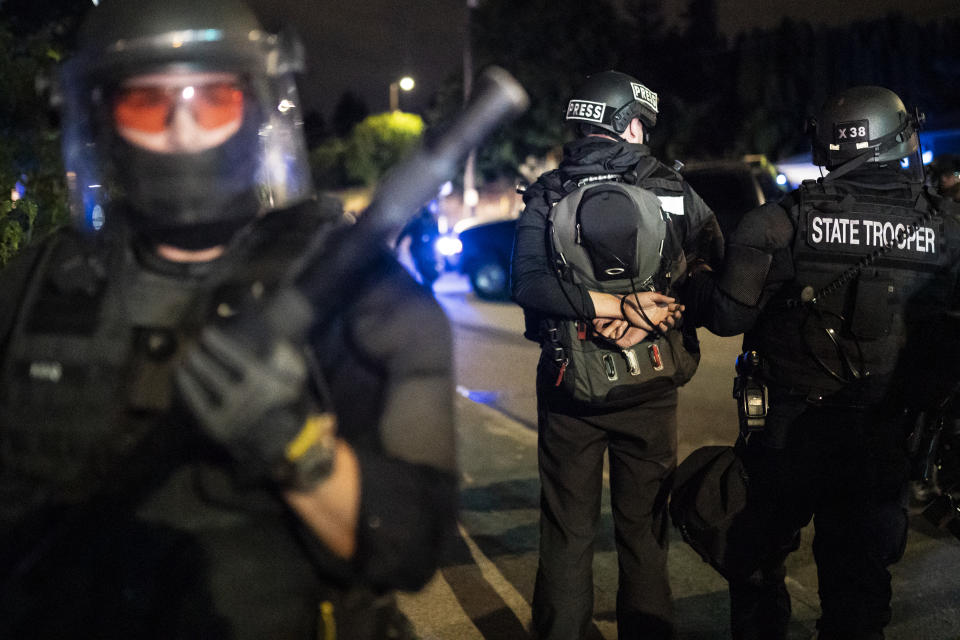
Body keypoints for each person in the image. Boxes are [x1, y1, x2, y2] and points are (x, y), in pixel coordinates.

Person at [0, 0, 457, 637]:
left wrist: (293, 447)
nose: (183, 132)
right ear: (102, 116)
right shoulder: (33, 289)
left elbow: (410, 546)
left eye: (212, 101)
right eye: (146, 104)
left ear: (255, 105)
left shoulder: (359, 295)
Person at [681, 86, 960, 640]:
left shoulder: (777, 223)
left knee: (758, 562)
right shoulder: (946, 227)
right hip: (885, 433)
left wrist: (692, 279)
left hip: (785, 433)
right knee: (859, 582)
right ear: (895, 139)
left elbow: (728, 317)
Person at [511, 70, 723, 640]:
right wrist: (648, 309)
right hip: (651, 387)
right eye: (641, 124)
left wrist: (595, 303)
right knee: (644, 532)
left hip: (568, 385)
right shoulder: (672, 190)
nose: (645, 137)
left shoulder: (549, 192)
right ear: (626, 123)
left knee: (566, 531)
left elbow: (528, 285)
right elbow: (711, 269)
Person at [396, 200, 441, 289]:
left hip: (427, 260)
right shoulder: (414, 224)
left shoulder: (429, 220)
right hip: (417, 260)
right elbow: (404, 245)